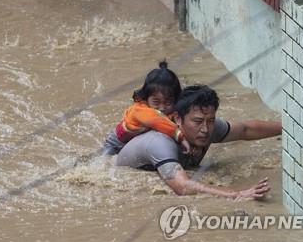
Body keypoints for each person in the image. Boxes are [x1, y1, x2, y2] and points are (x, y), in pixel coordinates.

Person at [115, 85, 282, 200]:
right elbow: (183, 187)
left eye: (210, 120)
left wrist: (290, 127)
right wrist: (236, 194)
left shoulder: (207, 126)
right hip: (119, 176)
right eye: (198, 121)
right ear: (178, 119)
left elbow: (246, 130)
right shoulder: (160, 143)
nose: (205, 129)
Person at [102, 61, 190, 156]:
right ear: (145, 97)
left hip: (137, 144)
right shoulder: (139, 110)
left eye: (168, 102)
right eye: (156, 102)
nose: (162, 107)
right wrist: (181, 137)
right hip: (116, 145)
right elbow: (156, 120)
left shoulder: (173, 113)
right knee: (104, 161)